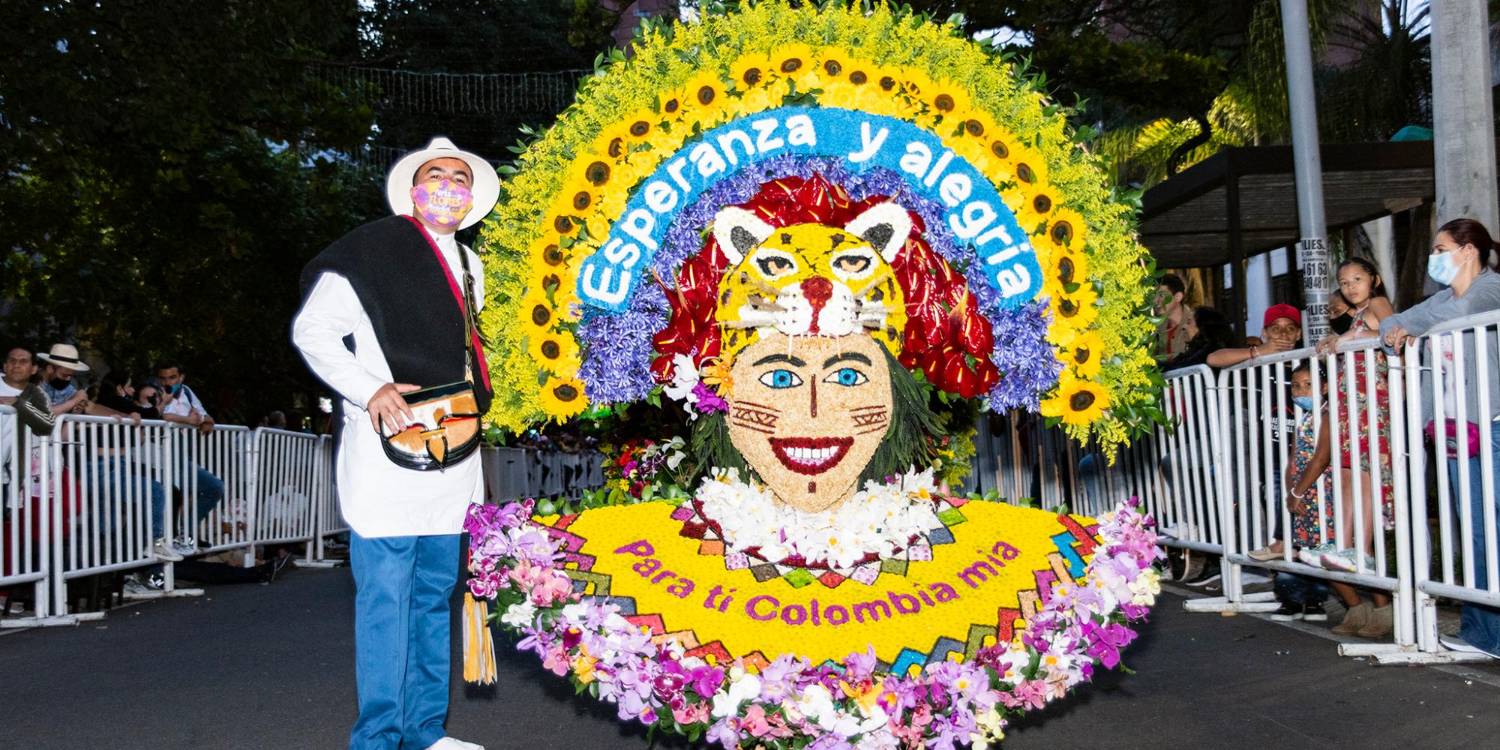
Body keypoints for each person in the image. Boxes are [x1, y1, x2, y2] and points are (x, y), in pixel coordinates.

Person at [292, 136, 498, 750]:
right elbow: (314, 330)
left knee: (434, 595)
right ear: (413, 189)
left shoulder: (469, 264)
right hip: (385, 448)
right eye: (436, 175)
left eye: (460, 178)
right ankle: (378, 739)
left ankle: (425, 732)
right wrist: (369, 387)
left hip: (452, 450)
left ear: (471, 197)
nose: (448, 186)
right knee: (387, 598)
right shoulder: (371, 249)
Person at [1381, 217, 1500, 658]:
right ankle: (1483, 632)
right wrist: (1399, 329)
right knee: (1477, 531)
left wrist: (1413, 328)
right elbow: (1392, 322)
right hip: (1456, 430)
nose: (1433, 257)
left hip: (1491, 426)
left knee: (1486, 530)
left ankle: (1487, 634)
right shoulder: (1443, 299)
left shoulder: (1488, 291)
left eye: (1440, 248)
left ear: (1467, 251)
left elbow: (1454, 317)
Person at [1314, 258, 1396, 579]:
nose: (1351, 287)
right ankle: (1343, 545)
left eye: (1357, 279)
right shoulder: (1355, 316)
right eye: (1345, 282)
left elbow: (1390, 329)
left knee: (1364, 472)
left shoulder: (1377, 302)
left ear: (1373, 279)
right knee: (1347, 471)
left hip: (1371, 401)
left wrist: (1347, 339)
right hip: (1353, 402)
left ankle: (1361, 549)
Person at [1207, 303, 1302, 369]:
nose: (1283, 334)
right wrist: (1258, 351)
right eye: (1276, 329)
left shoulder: (1307, 361)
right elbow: (1213, 359)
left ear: (1298, 334)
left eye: (1290, 329)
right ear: (1264, 333)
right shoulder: (1254, 362)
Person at [1163, 306, 1235, 371]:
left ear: (1203, 327)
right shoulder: (1195, 351)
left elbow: (1181, 367)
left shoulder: (1211, 349)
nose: (1184, 326)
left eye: (1189, 322)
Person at [36, 343, 93, 415]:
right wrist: (75, 401)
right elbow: (43, 414)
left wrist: (111, 415)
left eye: (70, 376)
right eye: (64, 375)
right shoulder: (32, 382)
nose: (68, 379)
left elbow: (91, 407)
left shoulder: (66, 388)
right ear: (50, 369)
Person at [1155, 273, 1192, 359]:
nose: (1156, 301)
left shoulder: (1195, 323)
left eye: (1161, 295)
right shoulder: (1156, 326)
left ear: (1178, 297)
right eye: (1153, 296)